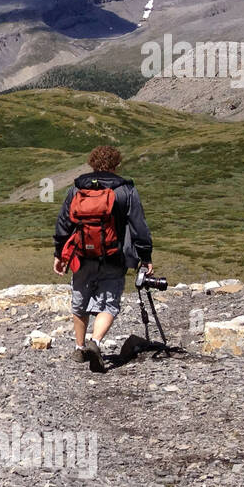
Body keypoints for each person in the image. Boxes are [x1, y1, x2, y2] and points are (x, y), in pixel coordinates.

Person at [52, 145, 153, 371]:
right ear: (117, 164)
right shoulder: (125, 190)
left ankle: (79, 349)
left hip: (82, 256)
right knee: (109, 304)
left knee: (79, 301)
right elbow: (139, 226)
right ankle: (95, 342)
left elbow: (63, 223)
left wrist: (59, 254)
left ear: (92, 163)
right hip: (114, 257)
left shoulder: (77, 188)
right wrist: (145, 257)